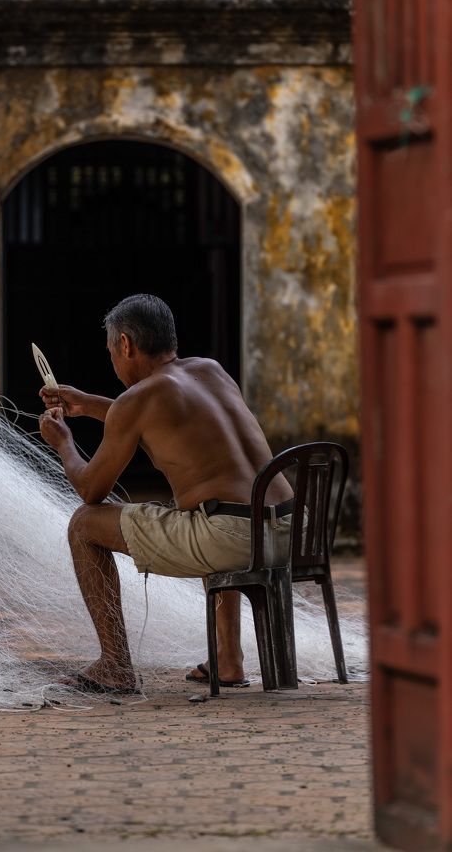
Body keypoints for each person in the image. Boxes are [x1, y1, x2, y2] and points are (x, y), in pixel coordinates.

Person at [38, 294, 293, 695]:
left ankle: (115, 666)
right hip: (289, 529)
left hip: (233, 538)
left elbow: (90, 490)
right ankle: (227, 660)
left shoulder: (138, 401)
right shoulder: (210, 371)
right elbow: (161, 419)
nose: (114, 361)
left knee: (85, 525)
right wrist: (87, 405)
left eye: (111, 352)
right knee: (204, 510)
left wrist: (64, 444)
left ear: (125, 344)